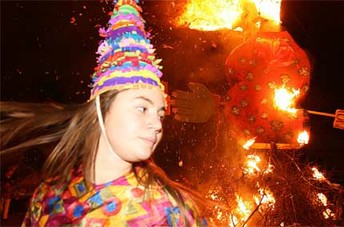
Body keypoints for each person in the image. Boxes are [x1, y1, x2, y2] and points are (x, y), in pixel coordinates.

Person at [1, 0, 207, 226]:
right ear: (101, 108)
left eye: (159, 114)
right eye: (142, 108)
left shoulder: (170, 212)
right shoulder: (49, 196)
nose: (157, 125)